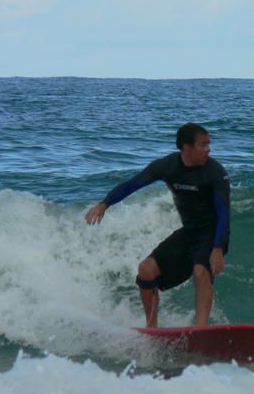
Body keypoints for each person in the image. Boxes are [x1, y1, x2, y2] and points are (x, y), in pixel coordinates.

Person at [85, 123, 230, 327]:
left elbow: (224, 212)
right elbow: (133, 184)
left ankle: (201, 328)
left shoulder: (215, 171)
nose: (208, 149)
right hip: (188, 233)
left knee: (200, 271)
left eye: (208, 144)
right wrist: (104, 203)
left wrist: (217, 248)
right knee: (146, 271)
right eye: (202, 145)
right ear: (186, 147)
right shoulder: (167, 166)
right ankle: (152, 329)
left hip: (212, 233)